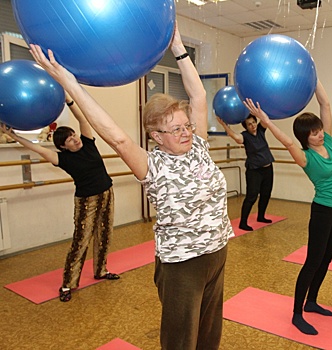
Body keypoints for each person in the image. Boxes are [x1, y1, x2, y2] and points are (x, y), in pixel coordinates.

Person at [29, 21, 233, 350]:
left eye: (186, 125)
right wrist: (69, 83)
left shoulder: (198, 145)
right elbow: (117, 136)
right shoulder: (153, 165)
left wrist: (178, 47)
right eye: (175, 129)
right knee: (181, 341)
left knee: (210, 335)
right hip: (182, 264)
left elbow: (197, 95)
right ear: (155, 136)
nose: (185, 132)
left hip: (217, 252)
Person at [244, 80, 332, 336]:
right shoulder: (306, 157)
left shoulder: (331, 143)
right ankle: (297, 313)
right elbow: (288, 143)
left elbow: (325, 103)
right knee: (313, 261)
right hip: (323, 212)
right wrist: (265, 120)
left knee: (327, 258)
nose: (319, 134)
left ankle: (312, 301)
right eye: (313, 132)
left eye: (319, 129)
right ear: (305, 137)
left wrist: (314, 79)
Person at [1, 97, 119, 303]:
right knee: (80, 242)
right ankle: (67, 284)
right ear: (63, 147)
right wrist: (12, 135)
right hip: (86, 202)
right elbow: (36, 148)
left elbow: (83, 120)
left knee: (105, 234)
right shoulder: (62, 159)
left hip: (107, 193)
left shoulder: (88, 143)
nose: (76, 139)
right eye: (70, 140)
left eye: (74, 135)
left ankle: (101, 270)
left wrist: (70, 102)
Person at [217, 114, 274, 231]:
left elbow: (265, 119)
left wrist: (257, 111)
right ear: (246, 127)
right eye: (249, 124)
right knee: (251, 196)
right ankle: (243, 222)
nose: (253, 125)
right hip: (254, 171)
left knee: (266, 194)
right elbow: (235, 137)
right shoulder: (245, 136)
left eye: (254, 122)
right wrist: (224, 125)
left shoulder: (261, 131)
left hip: (268, 168)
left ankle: (261, 216)